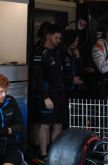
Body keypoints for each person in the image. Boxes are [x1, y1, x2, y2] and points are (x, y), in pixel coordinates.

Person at [33, 24, 66, 158]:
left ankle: (53, 154)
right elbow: (38, 79)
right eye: (56, 38)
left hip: (60, 93)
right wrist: (45, 97)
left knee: (58, 125)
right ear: (48, 37)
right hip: (47, 94)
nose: (59, 40)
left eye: (60, 38)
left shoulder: (59, 51)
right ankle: (43, 154)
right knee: (45, 125)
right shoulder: (40, 52)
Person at [0, 74, 27, 165]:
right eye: (1, 91)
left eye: (5, 91)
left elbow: (20, 126)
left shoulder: (11, 102)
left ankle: (18, 161)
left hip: (10, 145)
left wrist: (6, 130)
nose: (4, 95)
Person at [62, 29, 84, 99]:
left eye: (77, 41)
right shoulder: (61, 53)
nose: (75, 43)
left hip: (76, 90)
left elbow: (81, 70)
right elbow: (58, 73)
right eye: (73, 40)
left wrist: (78, 57)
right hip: (64, 90)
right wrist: (71, 79)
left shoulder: (76, 52)